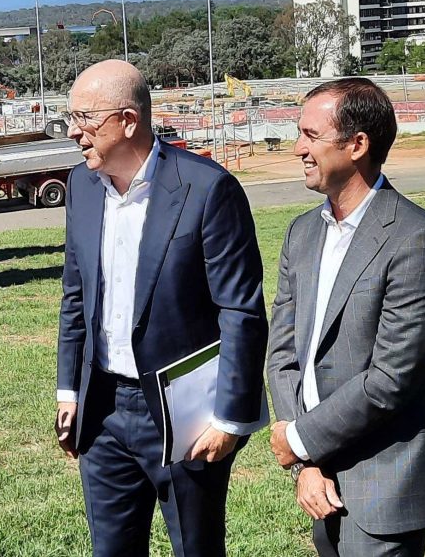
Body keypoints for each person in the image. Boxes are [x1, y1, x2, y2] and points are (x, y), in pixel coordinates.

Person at [55, 59, 269, 557]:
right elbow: (75, 294)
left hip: (183, 412)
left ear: (128, 121)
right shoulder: (82, 187)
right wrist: (70, 390)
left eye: (85, 119)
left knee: (195, 547)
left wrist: (229, 419)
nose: (73, 132)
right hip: (103, 409)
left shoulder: (207, 188)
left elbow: (240, 311)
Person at [267, 78, 425, 556]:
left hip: (385, 483)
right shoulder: (302, 232)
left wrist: (297, 438)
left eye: (311, 136)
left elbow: (390, 380)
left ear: (357, 145)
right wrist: (305, 459)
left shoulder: (417, 241)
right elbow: (284, 351)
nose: (298, 149)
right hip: (317, 474)